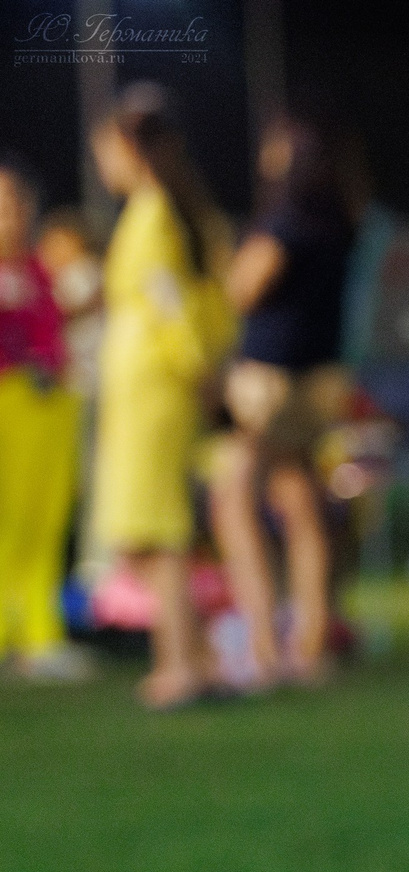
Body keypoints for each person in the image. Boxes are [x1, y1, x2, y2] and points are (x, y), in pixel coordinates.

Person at [89, 87, 235, 710]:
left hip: (152, 393)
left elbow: (169, 306)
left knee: (155, 534)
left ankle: (180, 664)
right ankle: (198, 659)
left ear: (129, 149)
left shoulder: (152, 214)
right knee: (153, 532)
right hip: (159, 389)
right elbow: (211, 304)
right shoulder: (189, 212)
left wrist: (197, 372)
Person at [208, 112, 360, 688]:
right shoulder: (340, 220)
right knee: (299, 501)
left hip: (271, 381)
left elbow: (244, 287)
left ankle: (264, 646)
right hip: (322, 380)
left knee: (234, 499)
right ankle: (313, 642)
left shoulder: (286, 219)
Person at [0, 160, 89, 682]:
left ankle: (39, 633)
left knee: (45, 523)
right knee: (9, 524)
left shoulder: (36, 269)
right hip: (11, 405)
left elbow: (48, 330)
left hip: (48, 408)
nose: (12, 214)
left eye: (17, 202)